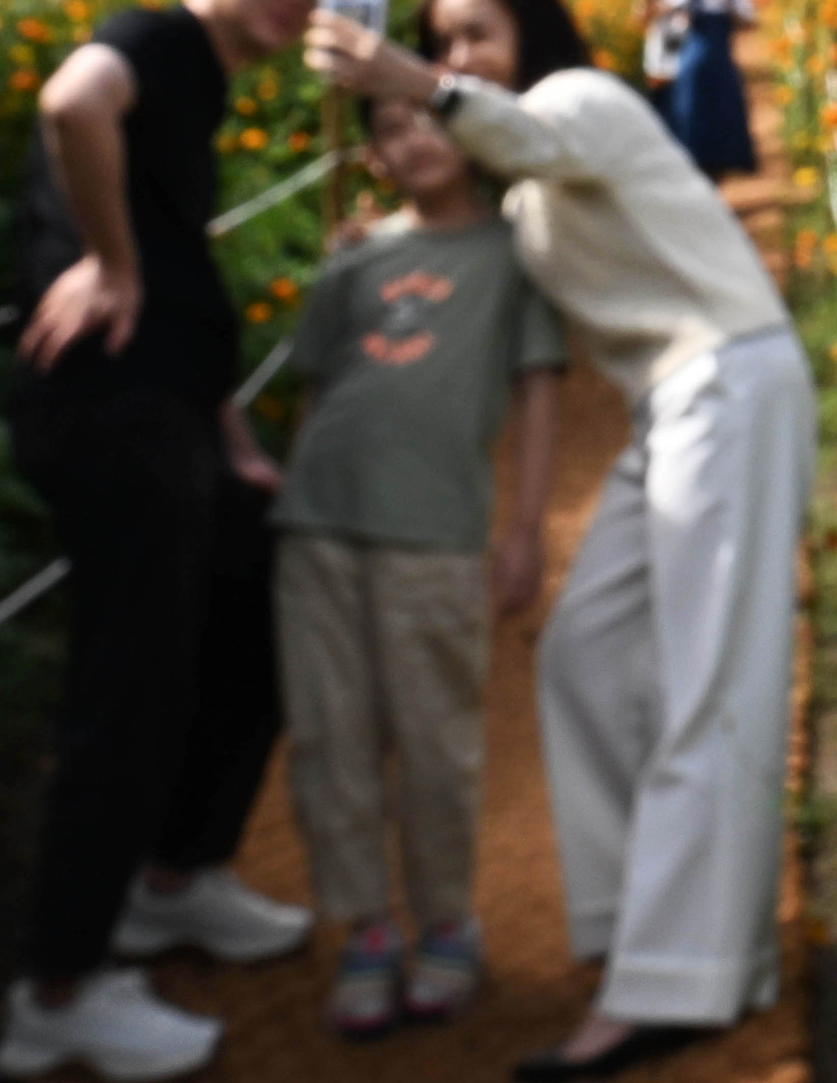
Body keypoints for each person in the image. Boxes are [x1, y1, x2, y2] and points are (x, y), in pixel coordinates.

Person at [308, 0, 809, 1081]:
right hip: (673, 406)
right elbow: (482, 215)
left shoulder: (582, 103)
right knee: (583, 657)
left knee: (705, 684)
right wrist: (375, 239)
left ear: (531, 30)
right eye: (441, 39)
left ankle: (667, 989)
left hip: (727, 380)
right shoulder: (526, 172)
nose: (458, 57)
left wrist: (403, 74)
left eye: (476, 32)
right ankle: (668, 937)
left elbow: (522, 134)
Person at [0, 0, 344, 1083]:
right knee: (129, 693)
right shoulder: (151, 37)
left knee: (254, 599)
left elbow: (178, 267)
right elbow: (70, 101)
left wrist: (227, 423)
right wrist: (106, 260)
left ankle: (172, 878)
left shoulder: (198, 83)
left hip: (171, 417)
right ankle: (57, 990)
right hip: (108, 414)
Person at [272, 94, 566, 1039]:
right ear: (372, 153)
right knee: (330, 735)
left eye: (427, 118)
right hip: (318, 524)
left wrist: (524, 527)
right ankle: (364, 927)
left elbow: (540, 393)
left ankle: (446, 918)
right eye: (390, 129)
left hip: (436, 533)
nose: (414, 141)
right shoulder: (355, 254)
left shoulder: (518, 254)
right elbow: (318, 387)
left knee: (437, 738)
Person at [657, 0, 757, 182]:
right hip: (692, 68)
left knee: (722, 119)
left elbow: (747, 22)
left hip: (721, 66)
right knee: (692, 120)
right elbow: (671, 19)